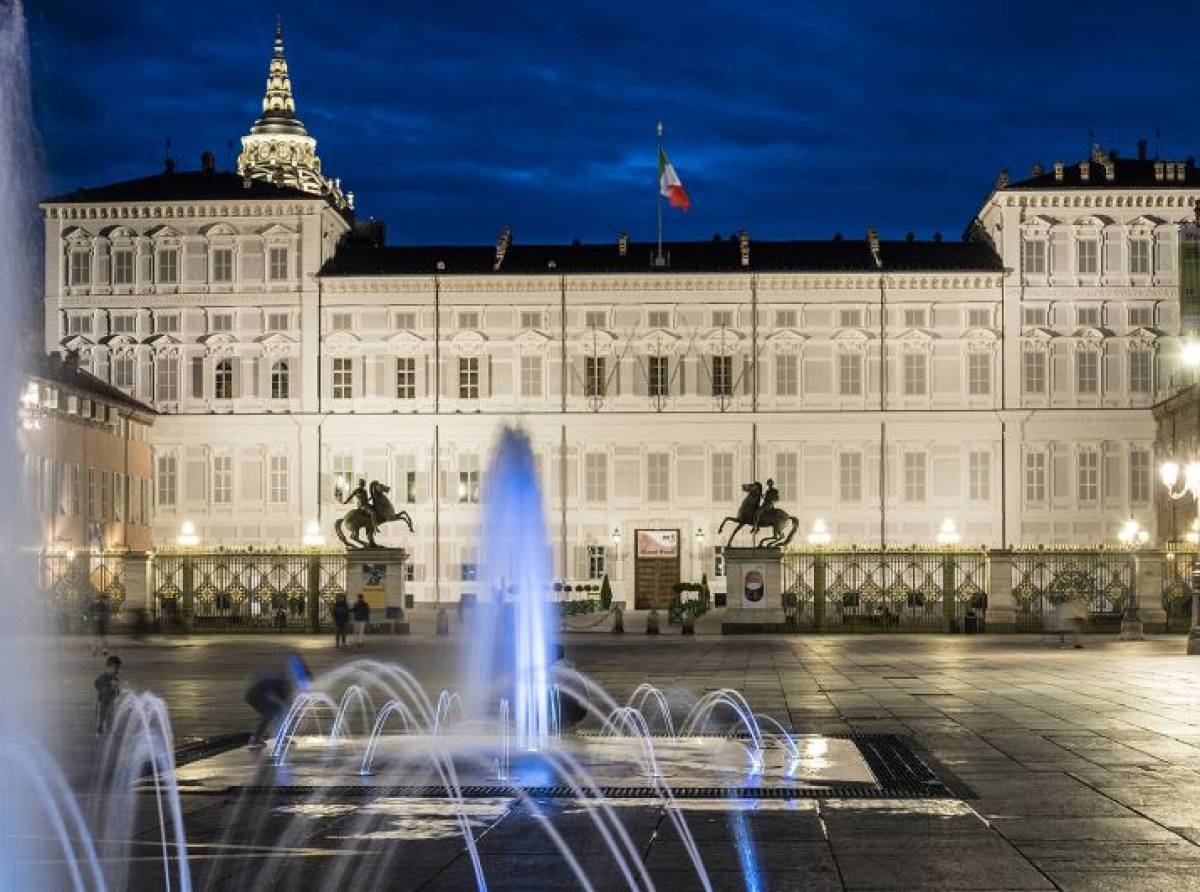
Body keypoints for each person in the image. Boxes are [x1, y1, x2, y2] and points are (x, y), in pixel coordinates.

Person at [94, 654, 122, 736]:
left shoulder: (116, 679)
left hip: (110, 704)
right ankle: (100, 729)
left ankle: (109, 731)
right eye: (115, 668)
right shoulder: (103, 677)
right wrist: (109, 687)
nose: (117, 671)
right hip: (102, 704)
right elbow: (97, 685)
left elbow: (117, 693)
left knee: (111, 719)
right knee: (101, 720)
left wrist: (117, 691)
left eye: (118, 669)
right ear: (108, 667)